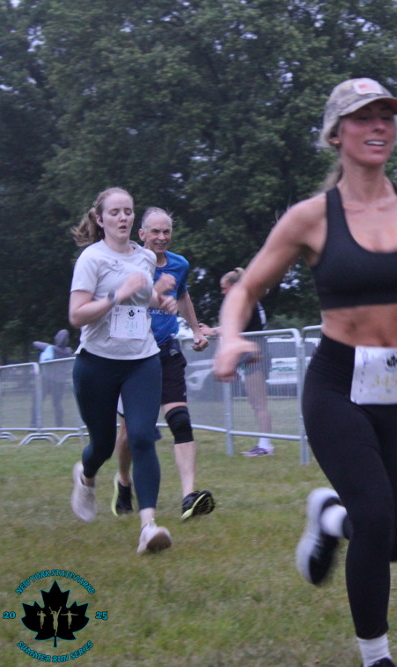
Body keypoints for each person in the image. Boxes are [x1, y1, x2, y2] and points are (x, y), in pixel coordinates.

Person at [213, 77, 397, 667]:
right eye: (363, 117)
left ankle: (330, 514)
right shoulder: (310, 219)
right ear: (335, 134)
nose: (378, 126)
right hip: (338, 385)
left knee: (395, 538)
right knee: (375, 516)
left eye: (387, 117)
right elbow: (246, 287)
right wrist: (230, 335)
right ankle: (376, 655)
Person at [67, 186, 177, 554]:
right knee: (101, 445)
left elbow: (145, 299)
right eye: (115, 212)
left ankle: (148, 527)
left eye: (128, 211)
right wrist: (117, 294)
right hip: (96, 363)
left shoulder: (145, 257)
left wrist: (162, 298)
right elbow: (76, 314)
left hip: (141, 360)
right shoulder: (92, 259)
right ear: (100, 219)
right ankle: (86, 476)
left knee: (142, 436)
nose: (123, 217)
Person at [112, 207, 216, 521]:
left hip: (167, 350)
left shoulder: (179, 264)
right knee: (131, 434)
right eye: (155, 231)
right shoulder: (127, 263)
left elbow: (183, 296)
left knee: (180, 421)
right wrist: (154, 292)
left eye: (166, 231)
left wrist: (196, 330)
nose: (161, 237)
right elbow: (117, 302)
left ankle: (189, 498)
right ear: (141, 234)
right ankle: (124, 482)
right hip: (133, 355)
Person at [199, 267, 274, 456]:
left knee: (259, 403)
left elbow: (232, 326)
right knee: (256, 403)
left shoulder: (246, 301)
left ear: (234, 286)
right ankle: (263, 443)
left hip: (256, 356)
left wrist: (211, 331)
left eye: (224, 288)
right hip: (253, 355)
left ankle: (265, 445)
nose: (223, 293)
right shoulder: (249, 300)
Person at [32, 329, 73, 427]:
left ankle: (34, 424)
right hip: (60, 381)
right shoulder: (68, 351)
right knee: (57, 404)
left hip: (46, 380)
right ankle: (59, 425)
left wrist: (49, 346)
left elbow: (35, 343)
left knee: (37, 402)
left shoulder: (50, 348)